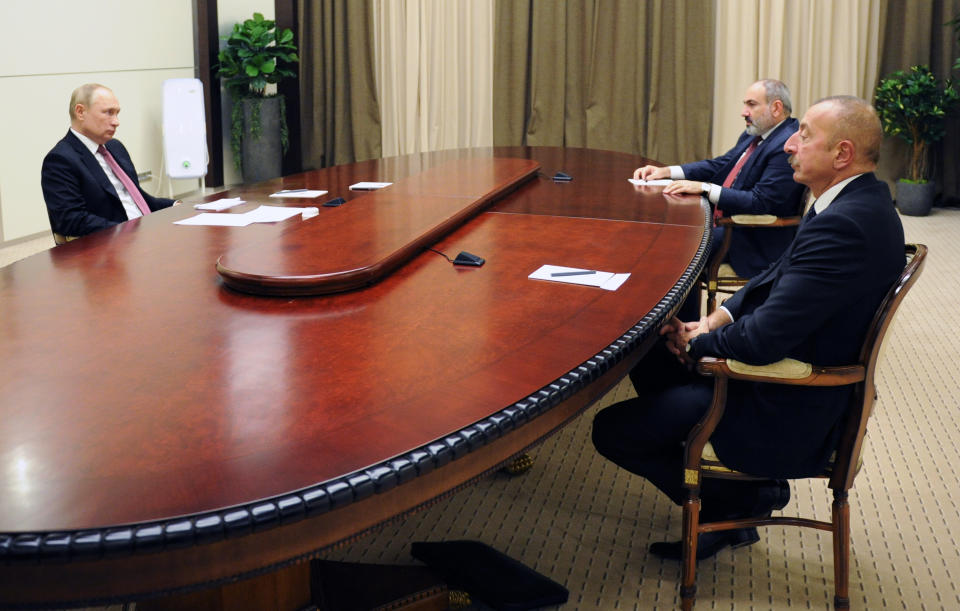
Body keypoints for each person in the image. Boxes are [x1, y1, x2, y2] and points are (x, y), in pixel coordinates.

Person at [594, 96, 904, 561]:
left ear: (842, 154)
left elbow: (761, 342)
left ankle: (733, 503)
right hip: (785, 365)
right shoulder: (852, 201)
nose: (789, 146)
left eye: (805, 136)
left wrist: (700, 344)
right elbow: (774, 275)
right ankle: (737, 492)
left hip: (784, 398)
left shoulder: (847, 225)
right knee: (651, 345)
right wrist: (713, 321)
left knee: (611, 429)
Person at [635, 79, 806, 282]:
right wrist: (669, 172)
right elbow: (721, 164)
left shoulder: (784, 144)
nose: (744, 112)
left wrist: (705, 189)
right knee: (667, 234)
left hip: (750, 239)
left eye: (751, 104)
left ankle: (679, 313)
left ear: (776, 108)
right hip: (728, 227)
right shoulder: (755, 134)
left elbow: (761, 201)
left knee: (678, 247)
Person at [41, 83, 177, 239]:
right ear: (80, 112)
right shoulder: (60, 160)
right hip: (111, 247)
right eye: (108, 113)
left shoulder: (115, 147)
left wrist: (174, 206)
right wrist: (131, 232)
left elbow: (137, 199)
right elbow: (71, 220)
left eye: (117, 113)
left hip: (142, 235)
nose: (116, 121)